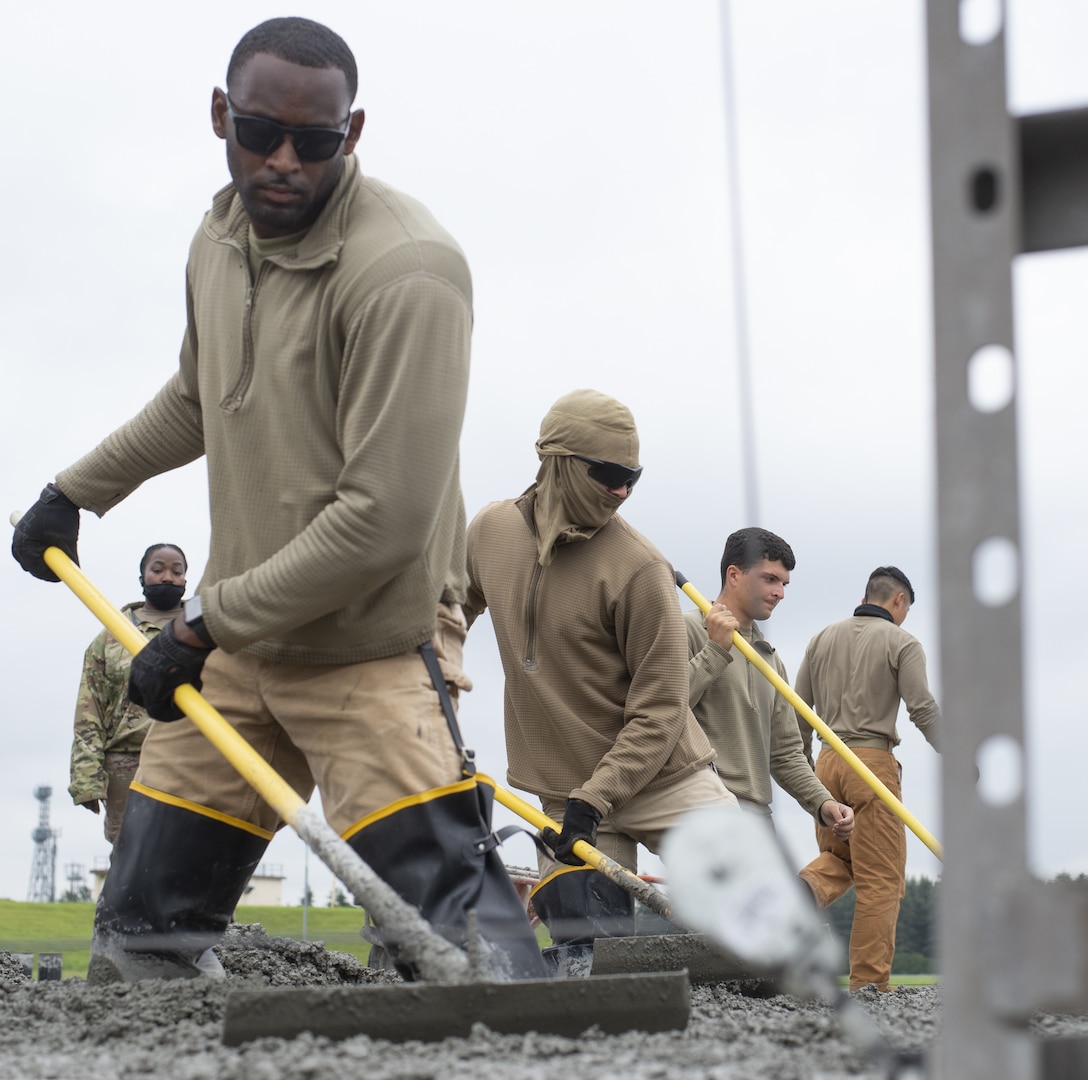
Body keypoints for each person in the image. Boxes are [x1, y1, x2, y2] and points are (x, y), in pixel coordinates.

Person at [9, 17, 542, 982]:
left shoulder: (406, 273)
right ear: (222, 115)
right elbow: (195, 397)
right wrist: (73, 492)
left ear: (355, 132)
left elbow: (381, 519)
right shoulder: (219, 239)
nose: (285, 162)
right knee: (140, 948)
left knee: (474, 968)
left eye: (318, 142)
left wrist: (202, 626)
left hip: (367, 654)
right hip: (237, 657)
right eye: (261, 133)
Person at [465, 388, 739, 972]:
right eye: (610, 474)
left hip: (665, 779)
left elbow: (662, 707)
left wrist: (599, 797)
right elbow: (447, 609)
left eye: (633, 477)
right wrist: (430, 683)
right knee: (586, 954)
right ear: (557, 460)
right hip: (565, 785)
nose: (622, 491)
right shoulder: (490, 532)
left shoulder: (639, 567)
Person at [795, 566, 941, 992]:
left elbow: (798, 713)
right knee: (881, 880)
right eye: (907, 609)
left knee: (841, 861)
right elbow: (923, 709)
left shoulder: (820, 639)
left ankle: (801, 892)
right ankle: (870, 986)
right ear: (898, 601)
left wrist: (805, 776)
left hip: (824, 765)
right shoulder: (902, 641)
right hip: (871, 767)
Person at [685, 527, 854, 841]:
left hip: (758, 819)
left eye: (784, 583)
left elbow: (787, 753)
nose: (780, 593)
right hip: (703, 809)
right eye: (770, 579)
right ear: (734, 575)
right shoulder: (686, 629)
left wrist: (824, 801)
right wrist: (715, 652)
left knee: (779, 890)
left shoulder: (771, 660)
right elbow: (662, 708)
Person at [70, 544, 189, 845]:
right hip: (127, 765)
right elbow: (90, 710)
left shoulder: (202, 629)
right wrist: (87, 778)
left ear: (185, 580)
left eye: (177, 572)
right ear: (142, 577)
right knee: (131, 861)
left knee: (186, 856)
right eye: (158, 569)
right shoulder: (112, 636)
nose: (167, 578)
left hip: (192, 760)